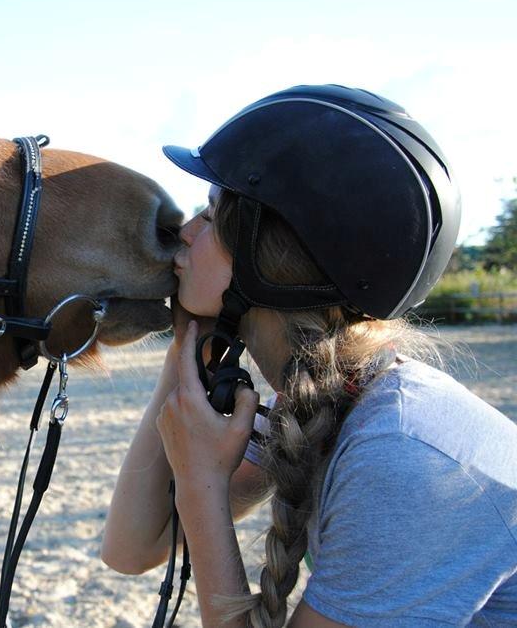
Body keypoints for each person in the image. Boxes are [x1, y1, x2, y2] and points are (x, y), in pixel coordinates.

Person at [101, 85, 517, 627]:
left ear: (269, 260)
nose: (184, 233)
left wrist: (202, 482)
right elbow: (132, 548)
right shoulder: (325, 400)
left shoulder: (403, 456)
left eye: (210, 216)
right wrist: (185, 351)